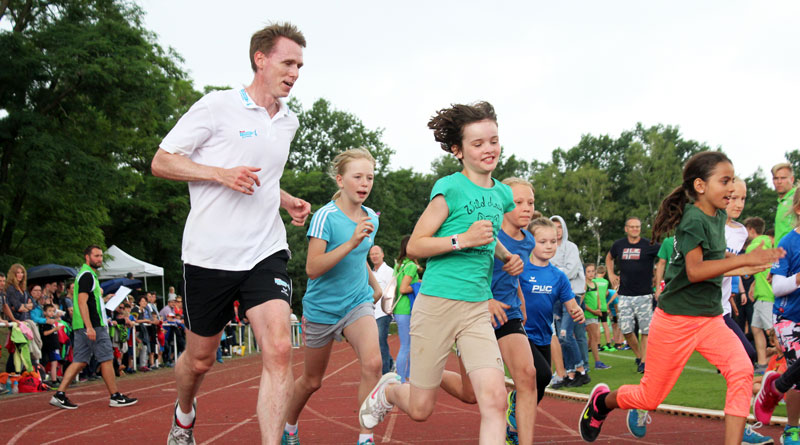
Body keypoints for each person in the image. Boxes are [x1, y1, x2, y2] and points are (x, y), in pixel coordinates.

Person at [150, 22, 311, 445]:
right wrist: (218, 174)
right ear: (261, 59)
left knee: (279, 348)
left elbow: (264, 178)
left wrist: (286, 199)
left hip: (264, 249)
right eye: (288, 62)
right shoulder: (216, 107)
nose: (295, 72)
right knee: (200, 360)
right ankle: (184, 414)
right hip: (209, 254)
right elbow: (162, 161)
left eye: (300, 65)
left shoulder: (288, 121)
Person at [578, 151, 785, 445]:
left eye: (732, 181)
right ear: (700, 186)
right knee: (649, 397)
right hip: (676, 321)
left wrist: (745, 263)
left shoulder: (718, 216)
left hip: (711, 320)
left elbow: (714, 255)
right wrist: (740, 262)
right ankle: (602, 403)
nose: (731, 188)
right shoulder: (692, 220)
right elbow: (696, 269)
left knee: (741, 371)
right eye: (724, 181)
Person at [358, 101, 523, 444]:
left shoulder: (503, 194)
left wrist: (507, 256)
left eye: (493, 140)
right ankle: (390, 391)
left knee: (492, 399)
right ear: (457, 150)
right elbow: (417, 245)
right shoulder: (449, 188)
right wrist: (462, 239)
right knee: (420, 409)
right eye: (477, 144)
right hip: (436, 305)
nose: (488, 149)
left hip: (477, 309)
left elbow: (489, 236)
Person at [281, 148, 383, 445]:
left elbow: (360, 256)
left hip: (356, 303)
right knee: (311, 381)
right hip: (322, 309)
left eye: (370, 178)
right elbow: (313, 268)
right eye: (358, 177)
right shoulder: (325, 217)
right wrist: (351, 241)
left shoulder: (371, 219)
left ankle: (365, 437)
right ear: (340, 180)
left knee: (374, 364)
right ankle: (289, 426)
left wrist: (374, 285)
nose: (365, 183)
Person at [436, 177, 542, 445]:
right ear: (502, 204)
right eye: (518, 202)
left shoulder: (528, 241)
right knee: (470, 394)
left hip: (508, 315)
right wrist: (487, 300)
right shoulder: (483, 233)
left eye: (530, 202)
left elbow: (512, 274)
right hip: (474, 314)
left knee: (528, 376)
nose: (526, 208)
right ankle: (429, 375)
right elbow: (464, 274)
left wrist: (520, 299)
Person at [505, 214, 585, 445]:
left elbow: (570, 303)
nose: (549, 246)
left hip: (543, 335)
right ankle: (517, 418)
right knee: (542, 375)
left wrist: (576, 312)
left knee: (537, 389)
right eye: (543, 242)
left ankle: (513, 426)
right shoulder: (520, 268)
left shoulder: (558, 276)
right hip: (520, 333)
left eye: (553, 241)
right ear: (531, 241)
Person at [49, 245, 138, 410]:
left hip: (84, 324)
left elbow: (89, 302)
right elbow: (82, 302)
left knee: (80, 361)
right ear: (87, 257)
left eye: (101, 256)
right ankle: (115, 396)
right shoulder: (87, 276)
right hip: (92, 326)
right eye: (96, 256)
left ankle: (59, 394)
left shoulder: (88, 276)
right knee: (106, 358)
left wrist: (103, 300)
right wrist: (89, 327)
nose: (99, 259)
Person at [754, 188, 800, 443]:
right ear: (798, 209)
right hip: (789, 317)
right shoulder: (787, 244)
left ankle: (777, 385)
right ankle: (792, 428)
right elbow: (778, 286)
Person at [605, 217, 660, 373]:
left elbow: (664, 256)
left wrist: (658, 274)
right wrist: (611, 274)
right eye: (632, 227)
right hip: (624, 294)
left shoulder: (649, 245)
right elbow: (609, 257)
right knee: (626, 330)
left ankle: (644, 362)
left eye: (638, 227)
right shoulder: (619, 245)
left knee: (645, 330)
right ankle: (639, 356)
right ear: (626, 229)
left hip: (644, 294)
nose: (635, 229)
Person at [551, 215, 589, 386]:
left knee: (569, 335)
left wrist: (554, 274)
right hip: (555, 297)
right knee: (561, 336)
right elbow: (546, 269)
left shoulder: (571, 247)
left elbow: (571, 271)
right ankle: (571, 372)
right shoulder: (549, 247)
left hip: (573, 295)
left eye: (560, 227)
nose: (557, 230)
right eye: (554, 227)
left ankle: (581, 369)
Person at [745, 216, 775, 375]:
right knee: (756, 328)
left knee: (772, 331)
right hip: (761, 294)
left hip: (765, 296)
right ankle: (762, 363)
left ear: (751, 229)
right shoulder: (769, 244)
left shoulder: (753, 247)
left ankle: (781, 359)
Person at [392, 235, 419, 384]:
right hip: (407, 309)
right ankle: (401, 378)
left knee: (408, 345)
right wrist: (418, 286)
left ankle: (406, 375)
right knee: (407, 346)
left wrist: (416, 281)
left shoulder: (400, 265)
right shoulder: (411, 266)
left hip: (400, 310)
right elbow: (403, 288)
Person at [369, 245, 395, 375]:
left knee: (380, 341)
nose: (374, 256)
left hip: (383, 312)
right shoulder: (370, 274)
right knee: (374, 343)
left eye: (376, 253)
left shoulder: (389, 271)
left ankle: (385, 372)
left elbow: (392, 291)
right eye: (372, 254)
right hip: (371, 313)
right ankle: (390, 363)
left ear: (382, 254)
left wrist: (390, 309)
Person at [583, 264, 611, 370]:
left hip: (595, 314)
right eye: (588, 271)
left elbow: (599, 297)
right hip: (588, 315)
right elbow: (583, 302)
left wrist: (599, 309)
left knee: (592, 339)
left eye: (592, 271)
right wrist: (593, 311)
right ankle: (596, 362)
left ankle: (584, 360)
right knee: (594, 338)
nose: (591, 273)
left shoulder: (595, 284)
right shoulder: (584, 285)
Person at [773, 162, 797, 244]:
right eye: (776, 178)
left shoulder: (796, 198)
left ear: (792, 179)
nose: (779, 182)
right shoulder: (781, 201)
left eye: (783, 178)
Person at [593, 265, 615, 351]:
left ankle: (598, 345)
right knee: (605, 325)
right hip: (604, 305)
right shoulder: (606, 282)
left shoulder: (593, 281)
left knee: (598, 326)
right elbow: (606, 293)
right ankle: (608, 343)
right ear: (604, 273)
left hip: (596, 306)